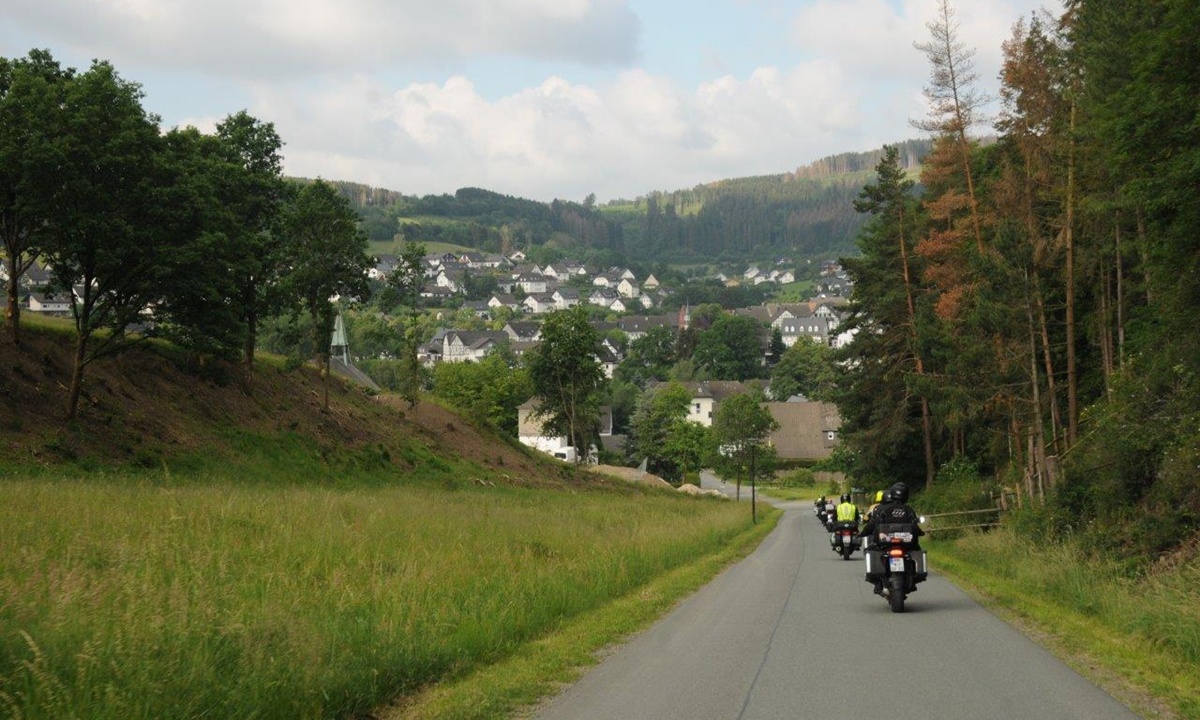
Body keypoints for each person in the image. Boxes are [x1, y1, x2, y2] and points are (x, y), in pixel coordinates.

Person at [860, 483, 925, 595]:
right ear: (906, 496)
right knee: (917, 550)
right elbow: (914, 526)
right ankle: (912, 579)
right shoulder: (909, 510)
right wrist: (920, 533)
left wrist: (862, 533)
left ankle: (878, 583)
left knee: (871, 550)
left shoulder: (882, 509)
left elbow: (872, 525)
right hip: (906, 544)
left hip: (885, 543)